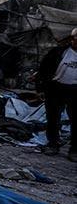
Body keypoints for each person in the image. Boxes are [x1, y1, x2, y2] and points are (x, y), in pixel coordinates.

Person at [37, 27, 77, 161]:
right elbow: (43, 69)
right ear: (72, 39)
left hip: (75, 91)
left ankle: (74, 150)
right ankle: (53, 144)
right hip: (56, 88)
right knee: (53, 118)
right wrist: (40, 88)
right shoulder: (58, 52)